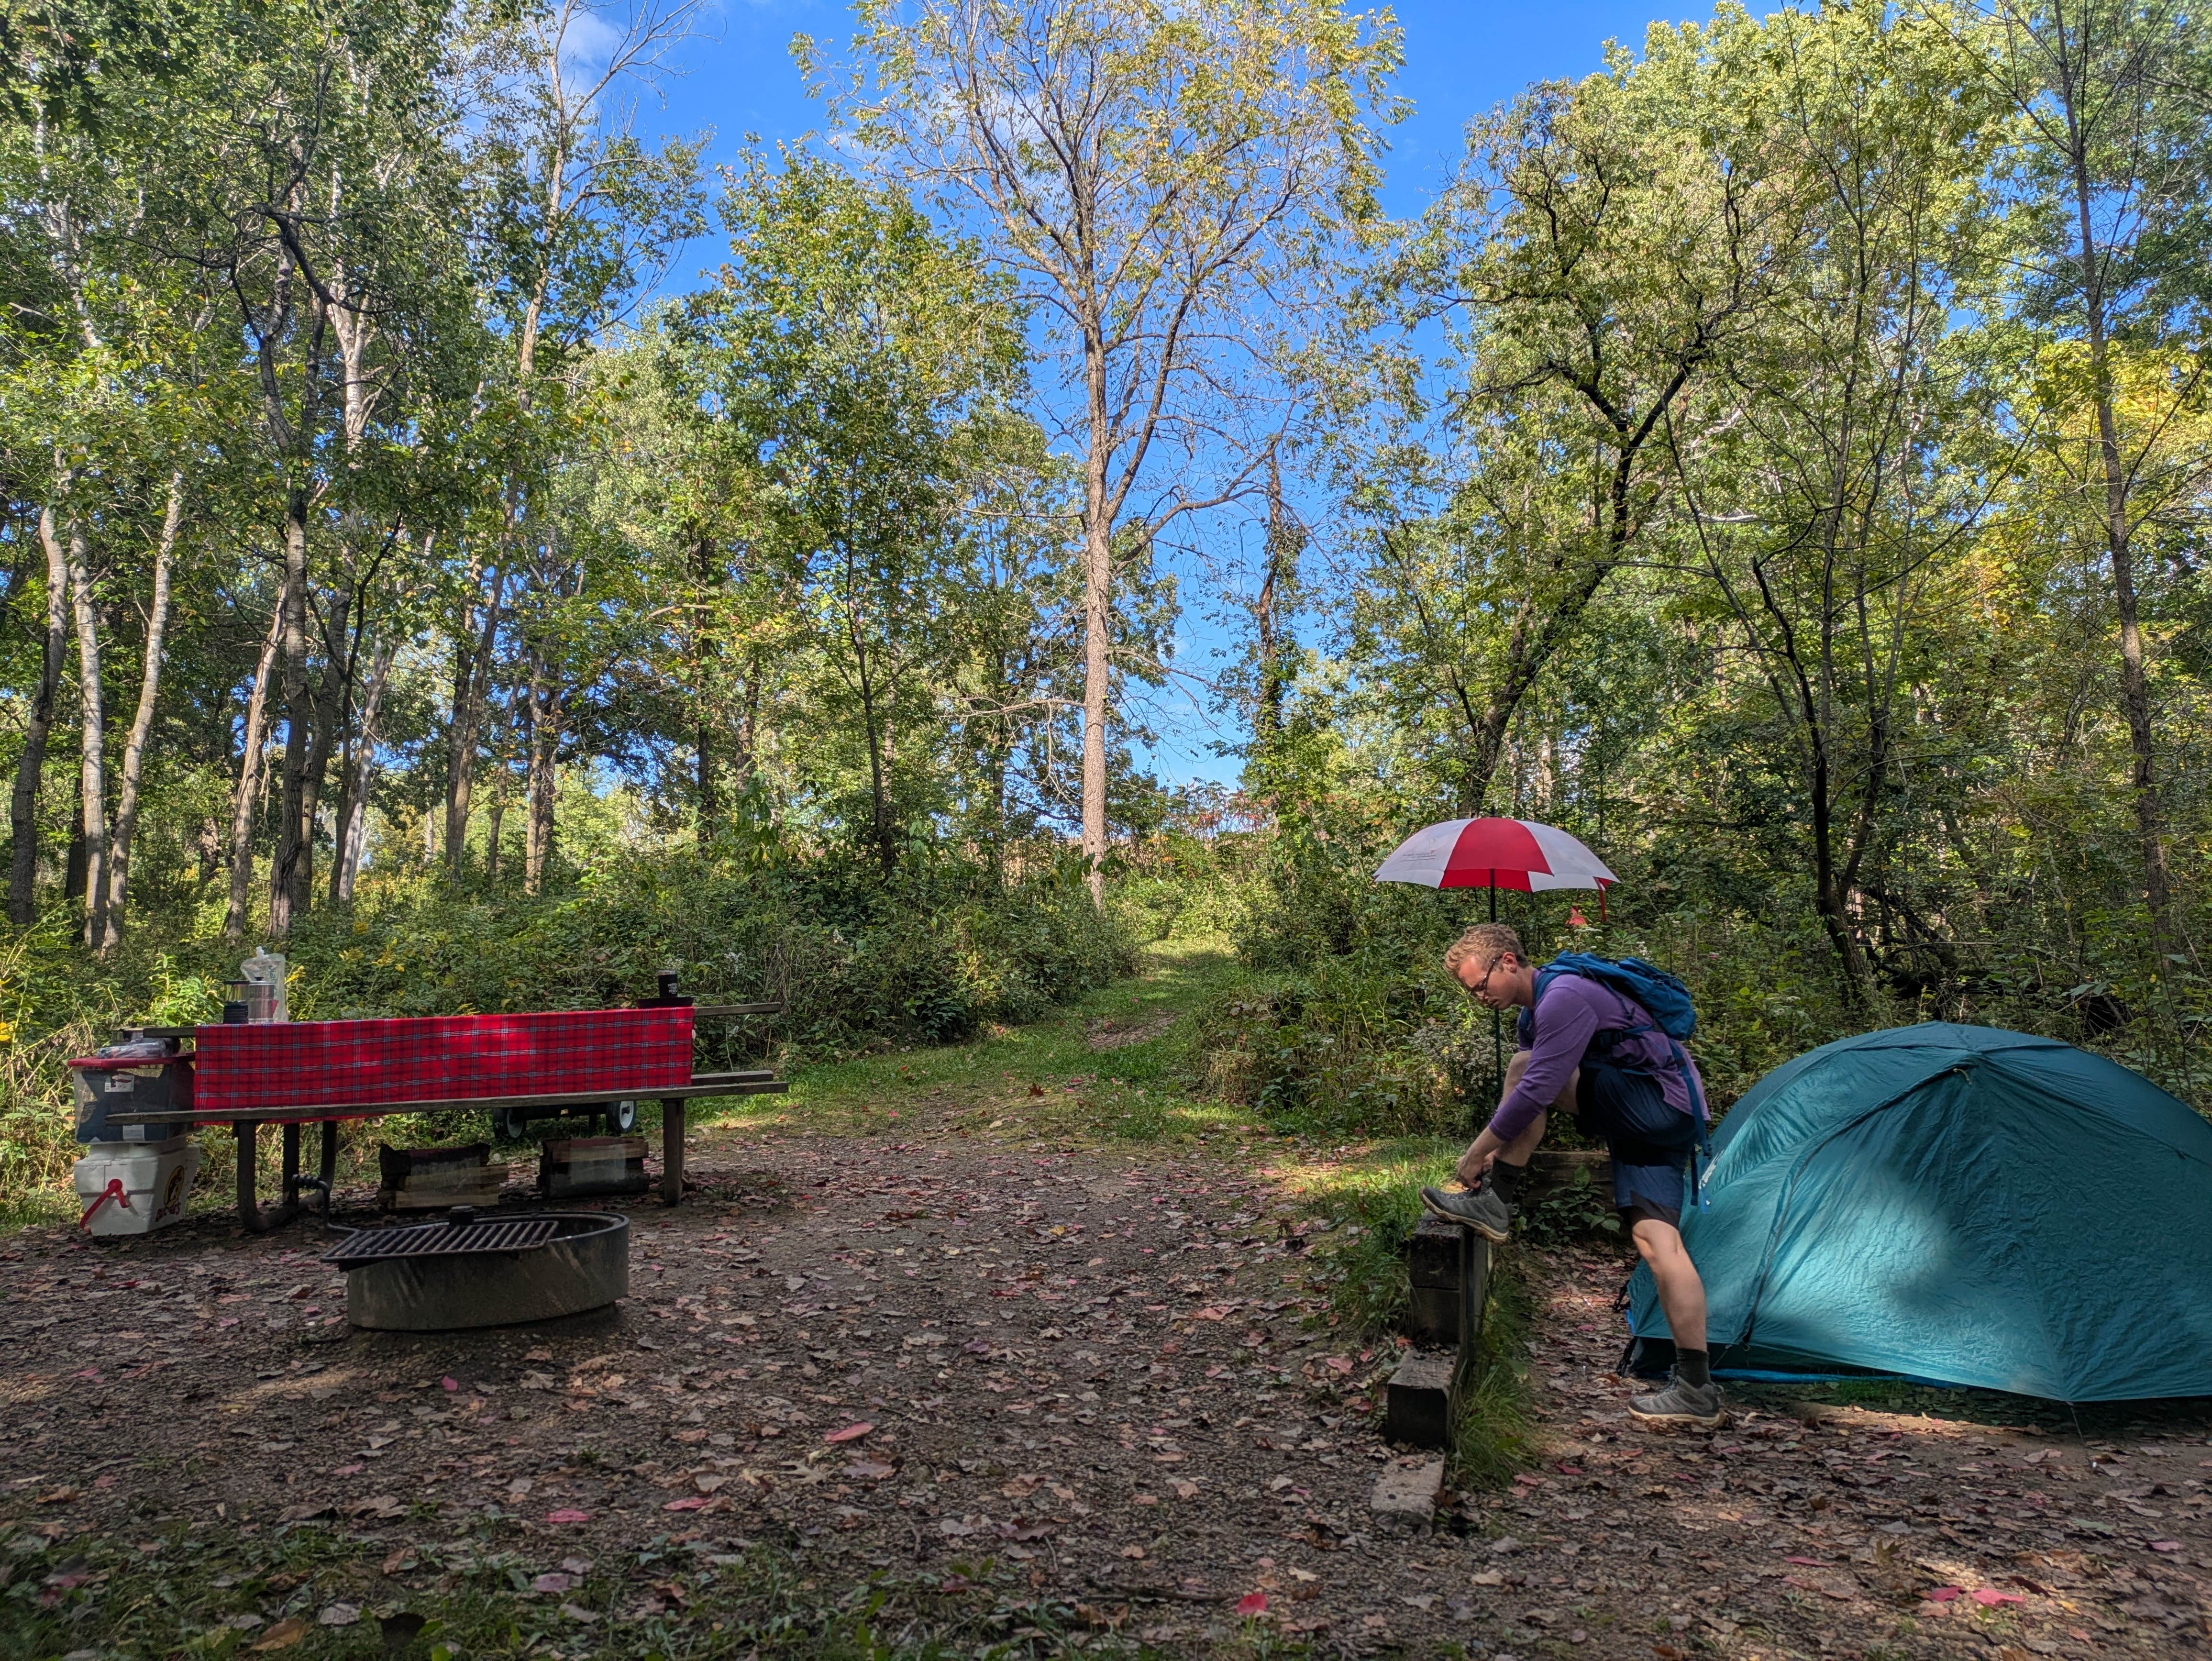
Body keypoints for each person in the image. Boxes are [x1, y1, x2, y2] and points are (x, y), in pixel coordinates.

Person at [1419, 922, 1725, 1428]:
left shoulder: (1563, 996)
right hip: (1669, 1121)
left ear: (1509, 962)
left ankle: (1497, 1204)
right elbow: (1530, 1102)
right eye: (1470, 992)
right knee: (1658, 1243)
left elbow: (1537, 1086)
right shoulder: (1533, 1016)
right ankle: (1696, 1388)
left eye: (1481, 985)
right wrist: (1503, 1151)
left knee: (1523, 1070)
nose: (1479, 998)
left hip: (1655, 1105)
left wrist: (1477, 1154)